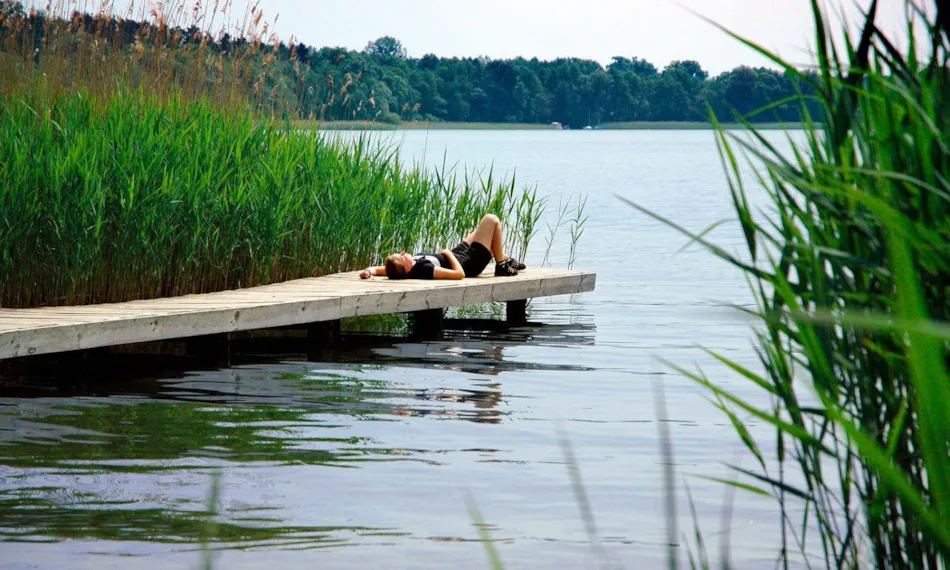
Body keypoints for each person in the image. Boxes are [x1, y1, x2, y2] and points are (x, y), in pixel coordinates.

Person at [359, 214, 526, 280]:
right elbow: (459, 274)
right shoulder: (424, 269)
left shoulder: (404, 267)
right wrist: (448, 254)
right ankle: (502, 265)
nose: (403, 252)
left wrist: (367, 272)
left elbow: (376, 270)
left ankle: (503, 260)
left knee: (483, 229)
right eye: (402, 256)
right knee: (491, 220)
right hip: (468, 262)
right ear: (408, 268)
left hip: (459, 253)